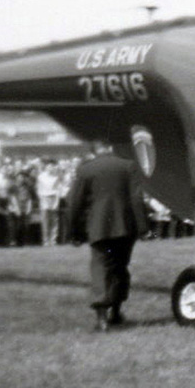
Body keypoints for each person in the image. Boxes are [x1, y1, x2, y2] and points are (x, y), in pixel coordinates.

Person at [64, 141, 149, 331]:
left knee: (101, 267)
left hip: (99, 227)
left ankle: (101, 317)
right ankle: (116, 312)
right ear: (111, 148)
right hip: (125, 227)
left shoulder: (86, 169)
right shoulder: (127, 165)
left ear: (94, 151)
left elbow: (74, 203)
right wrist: (143, 227)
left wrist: (72, 231)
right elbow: (137, 198)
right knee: (120, 267)